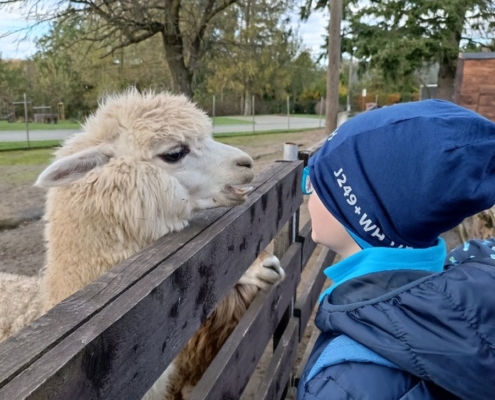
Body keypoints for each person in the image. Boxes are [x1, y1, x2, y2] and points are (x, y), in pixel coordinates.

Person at [297, 99, 495, 400]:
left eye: (314, 182)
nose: (307, 192)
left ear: (355, 213)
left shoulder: (343, 385)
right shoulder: (452, 296)